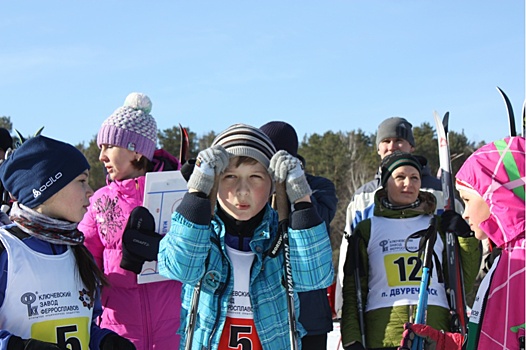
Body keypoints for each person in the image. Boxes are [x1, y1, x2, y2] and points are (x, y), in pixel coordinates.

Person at [157, 123, 334, 349]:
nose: (242, 190)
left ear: (272, 184)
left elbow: (315, 276)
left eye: (255, 177)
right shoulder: (201, 232)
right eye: (230, 176)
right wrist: (198, 189)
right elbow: (178, 267)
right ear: (215, 180)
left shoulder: (280, 235)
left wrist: (300, 197)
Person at [0, 135, 135, 349]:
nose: (90, 191)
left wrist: (104, 341)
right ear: (48, 187)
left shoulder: (78, 252)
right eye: (81, 181)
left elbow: (84, 328)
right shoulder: (6, 249)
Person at [340, 151, 480, 350]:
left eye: (415, 178)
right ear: (385, 183)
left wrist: (466, 237)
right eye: (400, 177)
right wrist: (352, 340)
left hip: (433, 333)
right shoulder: (367, 229)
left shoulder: (438, 224)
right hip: (383, 336)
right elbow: (353, 291)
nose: (409, 184)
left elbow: (463, 280)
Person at [398, 136, 525, 350]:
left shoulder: (520, 262)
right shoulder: (506, 259)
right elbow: (496, 336)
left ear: (496, 196)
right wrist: (447, 345)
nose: (465, 214)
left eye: (467, 200)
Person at [79, 92, 182, 349]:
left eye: (108, 147)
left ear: (135, 151)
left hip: (173, 331)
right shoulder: (100, 201)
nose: (101, 156)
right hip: (119, 332)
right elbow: (83, 258)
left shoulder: (177, 193)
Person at [335, 116, 464, 316]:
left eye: (399, 141)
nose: (392, 146)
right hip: (379, 303)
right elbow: (348, 253)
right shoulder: (363, 196)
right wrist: (342, 303)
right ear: (378, 148)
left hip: (436, 300)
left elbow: (463, 243)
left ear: (411, 146)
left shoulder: (440, 192)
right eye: (386, 141)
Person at [260, 120, 337, 350]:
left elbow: (319, 220)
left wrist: (296, 185)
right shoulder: (256, 186)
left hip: (309, 308)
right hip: (266, 309)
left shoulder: (319, 186)